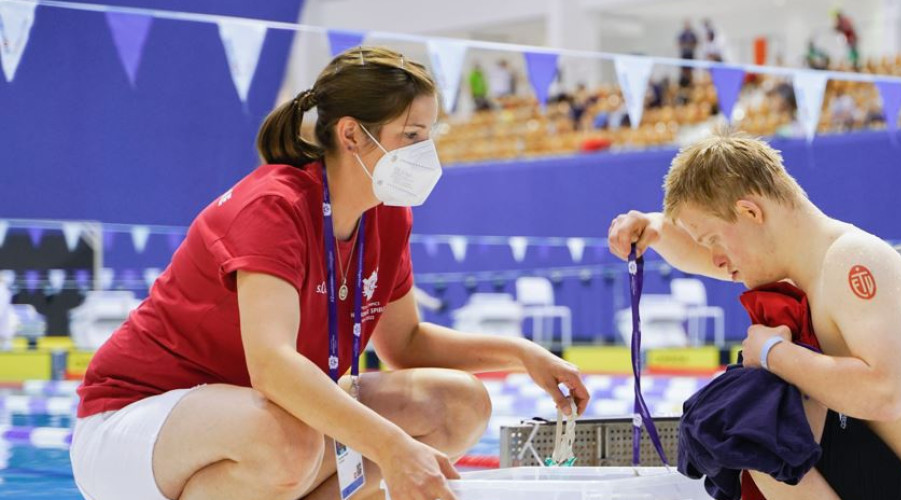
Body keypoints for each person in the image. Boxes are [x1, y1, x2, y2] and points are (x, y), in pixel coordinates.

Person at [71, 46, 590, 500]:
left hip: (257, 417)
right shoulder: (273, 206)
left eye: (428, 135)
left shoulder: (386, 214)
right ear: (351, 135)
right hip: (139, 422)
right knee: (290, 441)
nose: (425, 153)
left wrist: (521, 354)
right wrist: (391, 447)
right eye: (411, 135)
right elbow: (272, 368)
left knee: (458, 404)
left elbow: (404, 343)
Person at [606, 130, 901, 500]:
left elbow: (886, 394)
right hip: (899, 476)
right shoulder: (805, 268)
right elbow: (703, 258)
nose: (717, 260)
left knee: (746, 419)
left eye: (713, 240)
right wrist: (655, 229)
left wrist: (774, 352)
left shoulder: (851, 261)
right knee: (751, 420)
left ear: (750, 212)